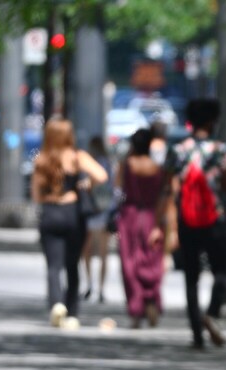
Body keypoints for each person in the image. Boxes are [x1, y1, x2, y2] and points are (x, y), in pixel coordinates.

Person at [170, 98, 226, 349]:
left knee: (191, 278)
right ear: (212, 120)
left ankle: (197, 335)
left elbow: (171, 187)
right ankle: (212, 313)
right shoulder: (222, 151)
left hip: (187, 220)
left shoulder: (178, 151)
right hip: (215, 220)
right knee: (222, 273)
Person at [31, 118, 108, 328]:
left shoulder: (41, 160)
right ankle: (72, 312)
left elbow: (36, 195)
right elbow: (102, 175)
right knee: (72, 265)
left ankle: (56, 305)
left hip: (49, 213)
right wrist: (87, 183)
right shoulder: (77, 157)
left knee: (53, 266)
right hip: (73, 214)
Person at [117, 128, 173, 328]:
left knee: (129, 262)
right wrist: (159, 224)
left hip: (129, 217)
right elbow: (164, 197)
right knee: (150, 260)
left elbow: (119, 189)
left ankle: (136, 307)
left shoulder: (127, 166)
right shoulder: (159, 169)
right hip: (151, 216)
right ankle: (150, 299)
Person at [80, 135, 114, 304]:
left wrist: (84, 184)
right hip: (104, 210)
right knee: (103, 253)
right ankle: (100, 288)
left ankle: (89, 285)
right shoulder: (108, 163)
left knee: (86, 251)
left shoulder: (93, 163)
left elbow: (93, 183)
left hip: (92, 210)